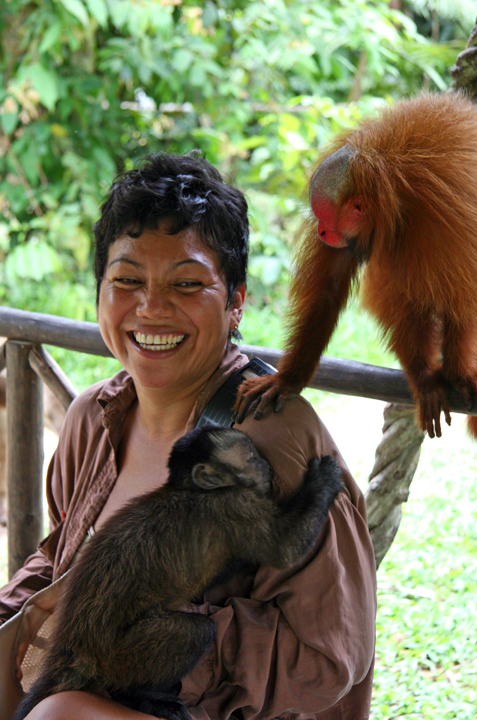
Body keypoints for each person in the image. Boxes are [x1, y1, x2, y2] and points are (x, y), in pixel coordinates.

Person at [0, 153, 376, 720]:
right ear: (99, 291)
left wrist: (146, 647)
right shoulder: (91, 420)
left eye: (187, 283)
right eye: (127, 280)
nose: (152, 308)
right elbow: (60, 564)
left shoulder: (274, 441)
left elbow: (327, 657)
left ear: (236, 302)